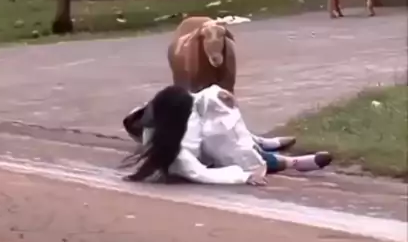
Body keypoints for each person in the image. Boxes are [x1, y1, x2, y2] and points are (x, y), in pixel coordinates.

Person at [121, 84, 332, 185]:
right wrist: (244, 176)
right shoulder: (178, 155)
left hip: (202, 139)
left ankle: (259, 141)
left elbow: (199, 98)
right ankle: (291, 162)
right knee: (228, 145)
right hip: (206, 156)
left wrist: (219, 95)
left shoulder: (166, 110)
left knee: (222, 119)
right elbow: (200, 173)